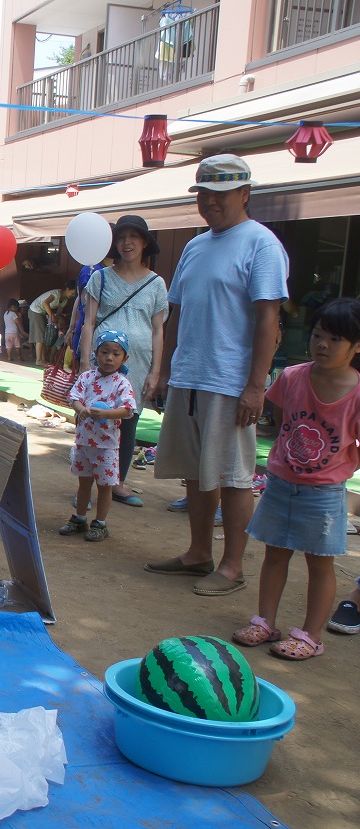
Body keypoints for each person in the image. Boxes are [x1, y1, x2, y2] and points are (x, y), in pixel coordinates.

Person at [146, 154, 289, 597]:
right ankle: (198, 553)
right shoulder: (195, 245)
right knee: (195, 472)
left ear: (245, 194)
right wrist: (169, 370)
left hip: (231, 380)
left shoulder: (261, 244)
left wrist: (255, 385)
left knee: (233, 475)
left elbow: (269, 318)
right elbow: (179, 311)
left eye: (220, 195)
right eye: (204, 194)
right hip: (191, 374)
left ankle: (232, 566)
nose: (210, 203)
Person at [229, 298, 360, 659]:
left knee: (320, 562)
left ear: (356, 346)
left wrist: (339, 468)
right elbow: (282, 418)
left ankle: (310, 636)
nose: (322, 344)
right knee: (275, 553)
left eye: (335, 339)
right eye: (318, 335)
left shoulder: (357, 393)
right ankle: (264, 622)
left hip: (324, 494)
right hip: (281, 483)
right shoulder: (291, 376)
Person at [78, 215, 169, 508]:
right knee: (92, 419)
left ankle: (117, 482)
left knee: (128, 418)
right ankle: (86, 485)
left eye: (134, 237)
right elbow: (88, 323)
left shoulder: (156, 283)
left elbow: (158, 329)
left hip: (138, 362)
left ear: (144, 243)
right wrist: (84, 363)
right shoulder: (100, 278)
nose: (127, 243)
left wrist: (156, 370)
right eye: (121, 237)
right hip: (100, 361)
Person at [59, 330, 137, 542]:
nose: (109, 358)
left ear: (125, 358)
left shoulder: (122, 383)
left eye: (116, 354)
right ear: (96, 353)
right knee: (84, 483)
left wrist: (107, 414)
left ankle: (100, 523)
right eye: (104, 352)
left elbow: (128, 409)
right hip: (84, 442)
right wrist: (80, 409)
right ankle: (80, 518)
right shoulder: (86, 377)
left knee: (105, 486)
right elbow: (73, 397)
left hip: (106, 446)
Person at [28, 285, 74, 366]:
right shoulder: (56, 293)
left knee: (43, 335)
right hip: (35, 310)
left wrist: (56, 319)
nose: (72, 295)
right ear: (67, 289)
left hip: (42, 312)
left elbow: (59, 313)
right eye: (72, 293)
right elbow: (45, 303)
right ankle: (39, 359)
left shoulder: (65, 300)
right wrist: (51, 316)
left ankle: (43, 359)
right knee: (40, 335)